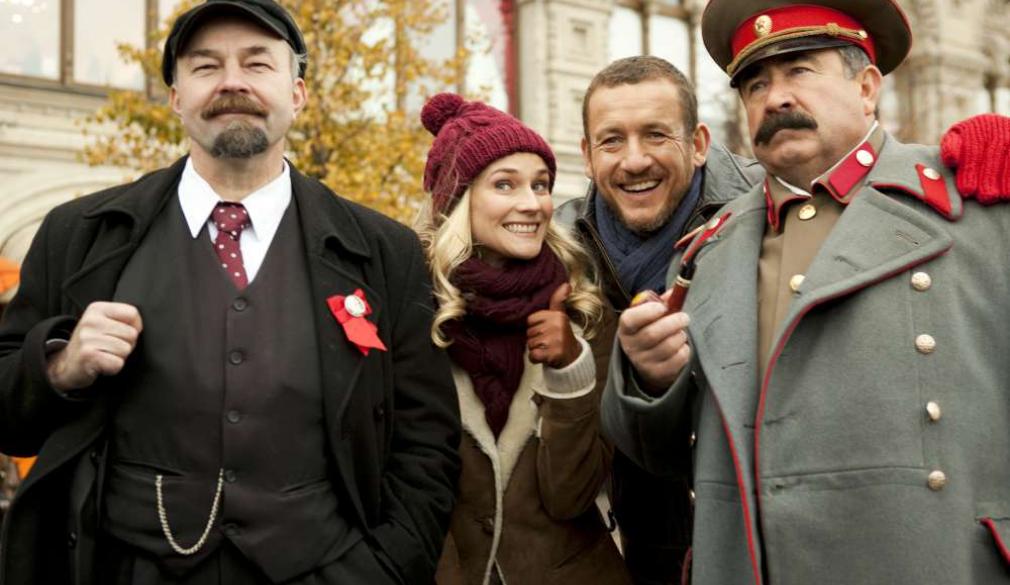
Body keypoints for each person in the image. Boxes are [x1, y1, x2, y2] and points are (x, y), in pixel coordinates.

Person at [0, 1, 460, 583]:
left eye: (257, 64)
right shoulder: (79, 236)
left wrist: (382, 569)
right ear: (176, 97)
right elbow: (7, 414)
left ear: (297, 94)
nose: (232, 82)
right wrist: (60, 366)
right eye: (206, 66)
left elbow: (427, 441)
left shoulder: (385, 251)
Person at [602, 0, 1010, 583]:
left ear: (866, 88)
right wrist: (649, 377)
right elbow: (663, 455)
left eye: (800, 71)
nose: (775, 98)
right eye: (756, 85)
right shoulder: (707, 253)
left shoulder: (977, 203)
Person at [554, 55, 764, 583]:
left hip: (759, 538)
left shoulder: (769, 208)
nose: (634, 160)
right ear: (587, 155)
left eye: (655, 135)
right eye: (611, 141)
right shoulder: (560, 247)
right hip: (639, 542)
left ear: (698, 143)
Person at [415, 93, 631, 585]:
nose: (532, 204)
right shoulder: (411, 308)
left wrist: (570, 370)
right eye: (505, 184)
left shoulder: (585, 312)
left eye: (540, 184)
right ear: (458, 199)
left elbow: (571, 496)